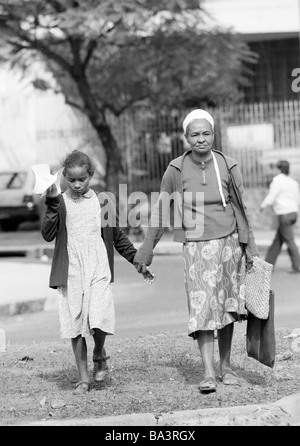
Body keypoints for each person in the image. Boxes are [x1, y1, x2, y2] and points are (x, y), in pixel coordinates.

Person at [134, 109, 260, 393]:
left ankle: (226, 367)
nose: (201, 139)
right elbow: (161, 210)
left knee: (228, 308)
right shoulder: (176, 170)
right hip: (195, 247)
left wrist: (250, 248)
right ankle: (208, 372)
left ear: (213, 135)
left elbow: (242, 208)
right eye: (195, 134)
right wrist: (146, 250)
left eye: (206, 133)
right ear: (186, 137)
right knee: (202, 308)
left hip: (229, 245)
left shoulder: (228, 164)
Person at [41, 150, 154, 395]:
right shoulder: (59, 201)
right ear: (64, 178)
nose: (77, 184)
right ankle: (84, 379)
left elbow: (117, 237)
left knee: (98, 316)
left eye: (82, 179)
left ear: (91, 175)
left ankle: (99, 353)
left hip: (98, 265)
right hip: (71, 268)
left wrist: (137, 260)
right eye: (72, 180)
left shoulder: (103, 201)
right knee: (76, 324)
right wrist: (50, 204)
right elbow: (47, 234)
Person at [259, 159, 300, 273]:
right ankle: (268, 265)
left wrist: (262, 206)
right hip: (293, 212)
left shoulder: (277, 181)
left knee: (289, 240)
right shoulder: (293, 182)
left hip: (284, 213)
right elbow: (297, 199)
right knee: (278, 241)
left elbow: (272, 196)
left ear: (278, 169)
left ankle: (297, 265)